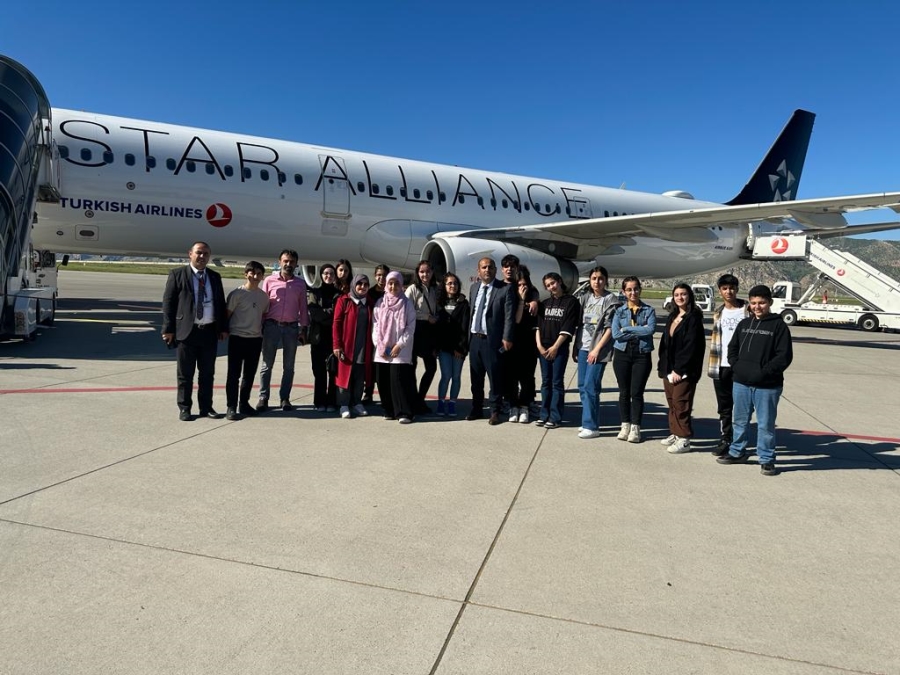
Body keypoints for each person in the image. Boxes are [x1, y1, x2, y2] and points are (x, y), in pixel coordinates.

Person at [717, 285, 793, 476]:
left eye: (761, 303)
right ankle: (737, 451)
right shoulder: (744, 324)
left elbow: (783, 357)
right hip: (741, 383)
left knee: (765, 424)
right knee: (740, 421)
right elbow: (732, 348)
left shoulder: (779, 326)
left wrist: (763, 373)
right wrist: (737, 367)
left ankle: (766, 459)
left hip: (767, 386)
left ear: (770, 303)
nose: (757, 307)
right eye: (753, 303)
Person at [161, 241, 228, 421]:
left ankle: (206, 407)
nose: (202, 256)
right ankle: (185, 408)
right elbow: (168, 303)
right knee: (185, 374)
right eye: (198, 253)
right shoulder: (177, 274)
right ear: (190, 254)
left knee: (207, 374)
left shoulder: (214, 276)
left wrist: (222, 328)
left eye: (206, 254)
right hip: (186, 333)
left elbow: (220, 303)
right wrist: (168, 329)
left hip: (208, 332)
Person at [256, 249, 309, 412]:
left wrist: (304, 329)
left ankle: (284, 398)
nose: (288, 264)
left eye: (292, 262)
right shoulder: (269, 281)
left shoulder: (300, 284)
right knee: (267, 364)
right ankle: (263, 397)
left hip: (291, 328)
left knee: (289, 366)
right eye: (285, 261)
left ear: (296, 264)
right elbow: (263, 305)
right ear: (279, 262)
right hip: (271, 326)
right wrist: (260, 326)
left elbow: (303, 307)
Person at [657, 283, 707, 453]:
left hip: (684, 370)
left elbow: (691, 347)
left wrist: (679, 369)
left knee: (681, 402)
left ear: (689, 296)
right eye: (677, 294)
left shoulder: (693, 319)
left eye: (683, 294)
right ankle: (675, 433)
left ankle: (684, 438)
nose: (680, 297)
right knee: (671, 402)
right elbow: (665, 343)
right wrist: (663, 367)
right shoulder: (673, 316)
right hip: (669, 369)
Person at [467, 257, 516, 425]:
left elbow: (509, 316)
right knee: (476, 378)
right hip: (475, 340)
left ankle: (495, 411)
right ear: (478, 271)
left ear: (495, 270)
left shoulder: (504, 289)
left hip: (492, 341)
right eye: (483, 267)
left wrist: (507, 337)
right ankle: (476, 407)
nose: (487, 270)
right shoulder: (474, 288)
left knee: (495, 378)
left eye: (490, 267)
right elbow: (472, 312)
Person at [573, 266, 618, 439]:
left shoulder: (610, 300)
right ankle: (588, 420)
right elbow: (580, 325)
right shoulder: (586, 298)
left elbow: (609, 329)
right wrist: (576, 347)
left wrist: (597, 349)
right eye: (593, 278)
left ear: (605, 280)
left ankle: (591, 426)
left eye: (600, 278)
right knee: (583, 386)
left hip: (598, 350)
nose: (597, 281)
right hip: (583, 347)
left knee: (591, 386)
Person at [707, 274, 749, 456]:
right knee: (724, 406)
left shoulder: (748, 310)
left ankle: (740, 441)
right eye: (724, 288)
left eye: (732, 288)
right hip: (721, 364)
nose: (728, 291)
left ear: (737, 289)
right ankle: (725, 438)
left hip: (742, 366)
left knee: (742, 407)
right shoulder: (718, 312)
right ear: (720, 291)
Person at [611, 276, 656, 443]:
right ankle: (625, 425)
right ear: (624, 292)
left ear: (640, 290)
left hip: (641, 354)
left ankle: (636, 427)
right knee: (624, 392)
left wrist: (627, 329)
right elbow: (616, 334)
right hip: (622, 353)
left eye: (635, 289)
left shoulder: (649, 310)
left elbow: (650, 330)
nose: (633, 292)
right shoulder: (619, 311)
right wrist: (639, 329)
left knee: (636, 392)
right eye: (629, 289)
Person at [223, 261, 269, 420]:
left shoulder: (264, 297)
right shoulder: (236, 294)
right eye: (252, 273)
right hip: (237, 338)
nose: (255, 276)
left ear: (262, 276)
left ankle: (244, 403)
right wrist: (224, 332)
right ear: (246, 274)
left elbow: (262, 315)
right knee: (233, 375)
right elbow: (226, 316)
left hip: (255, 340)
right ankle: (231, 406)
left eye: (258, 274)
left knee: (249, 374)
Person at [534, 273, 580, 429]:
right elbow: (538, 327)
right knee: (545, 382)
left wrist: (555, 347)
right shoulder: (544, 303)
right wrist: (540, 346)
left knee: (557, 382)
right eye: (548, 285)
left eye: (553, 283)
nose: (551, 287)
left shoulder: (571, 302)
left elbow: (568, 327)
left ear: (560, 282)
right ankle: (543, 414)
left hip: (559, 348)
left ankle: (555, 417)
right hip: (544, 348)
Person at [372, 271, 417, 424]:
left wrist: (399, 345)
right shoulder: (380, 303)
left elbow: (410, 327)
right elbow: (376, 326)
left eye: (396, 283)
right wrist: (379, 345)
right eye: (390, 283)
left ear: (401, 285)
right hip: (382, 350)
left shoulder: (406, 303)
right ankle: (388, 409)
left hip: (400, 350)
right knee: (382, 380)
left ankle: (404, 412)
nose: (393, 286)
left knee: (398, 381)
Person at [500, 255, 539, 423]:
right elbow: (515, 320)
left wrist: (532, 300)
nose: (522, 287)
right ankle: (512, 405)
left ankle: (525, 406)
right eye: (519, 284)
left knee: (527, 377)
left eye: (525, 284)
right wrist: (522, 301)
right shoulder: (512, 298)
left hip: (528, 344)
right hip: (512, 342)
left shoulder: (534, 298)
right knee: (510, 376)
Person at [333, 274, 375, 418]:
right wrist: (337, 345)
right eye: (359, 284)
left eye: (365, 284)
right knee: (344, 376)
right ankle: (343, 404)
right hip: (347, 345)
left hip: (364, 345)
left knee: (359, 374)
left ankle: (357, 402)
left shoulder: (369, 302)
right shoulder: (343, 300)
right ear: (354, 285)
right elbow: (336, 324)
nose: (362, 287)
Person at [405, 260, 439, 413]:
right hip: (416, 330)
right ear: (417, 273)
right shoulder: (412, 289)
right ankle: (412, 401)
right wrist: (426, 317)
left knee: (431, 367)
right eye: (422, 272)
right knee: (411, 369)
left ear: (432, 272)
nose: (425, 274)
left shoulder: (435, 288)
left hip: (430, 332)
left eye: (428, 271)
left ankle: (420, 398)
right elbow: (407, 310)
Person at [435, 272, 470, 417]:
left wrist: (460, 348)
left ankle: (452, 403)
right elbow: (437, 328)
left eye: (455, 283)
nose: (453, 286)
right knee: (446, 376)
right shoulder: (439, 303)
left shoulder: (463, 304)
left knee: (456, 376)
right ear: (444, 285)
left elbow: (465, 327)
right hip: (444, 348)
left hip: (458, 349)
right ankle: (441, 402)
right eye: (449, 283)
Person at [307, 263, 340, 412]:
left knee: (333, 371)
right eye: (325, 273)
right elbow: (314, 313)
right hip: (318, 337)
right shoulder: (314, 292)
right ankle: (319, 401)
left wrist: (324, 314)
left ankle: (332, 401)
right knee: (319, 371)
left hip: (333, 338)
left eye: (331, 274)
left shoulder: (338, 294)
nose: (328, 276)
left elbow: (337, 315)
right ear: (321, 275)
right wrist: (328, 314)